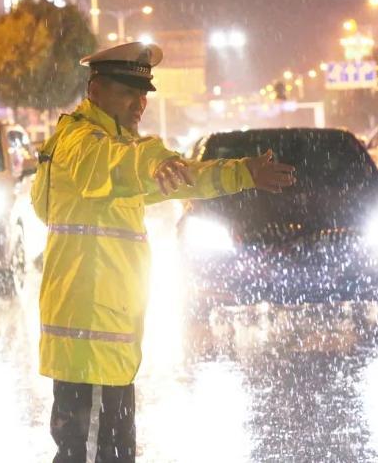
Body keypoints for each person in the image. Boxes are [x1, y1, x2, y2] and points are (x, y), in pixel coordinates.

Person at [31, 42, 295, 463]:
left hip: (104, 340)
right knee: (94, 454)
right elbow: (123, 160)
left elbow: (178, 177)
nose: (140, 104)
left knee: (105, 454)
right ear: (95, 88)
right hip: (90, 342)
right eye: (128, 92)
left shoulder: (113, 149)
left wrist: (242, 172)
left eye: (144, 94)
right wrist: (153, 160)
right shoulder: (82, 143)